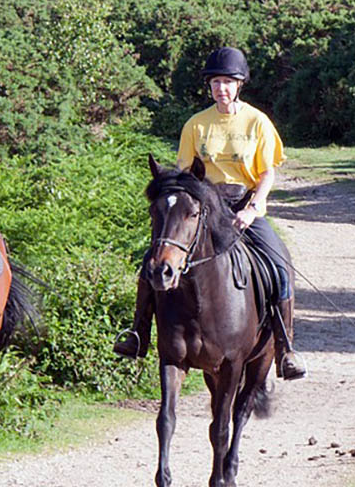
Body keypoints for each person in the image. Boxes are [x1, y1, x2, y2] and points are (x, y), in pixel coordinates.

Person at [113, 46, 307, 381]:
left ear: (239, 85)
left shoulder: (257, 123)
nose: (222, 88)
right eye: (216, 82)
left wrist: (253, 208)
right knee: (152, 264)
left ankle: (285, 347)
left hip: (243, 206)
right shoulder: (196, 125)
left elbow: (267, 173)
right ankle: (138, 335)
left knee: (279, 266)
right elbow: (184, 174)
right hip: (204, 208)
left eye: (228, 82)